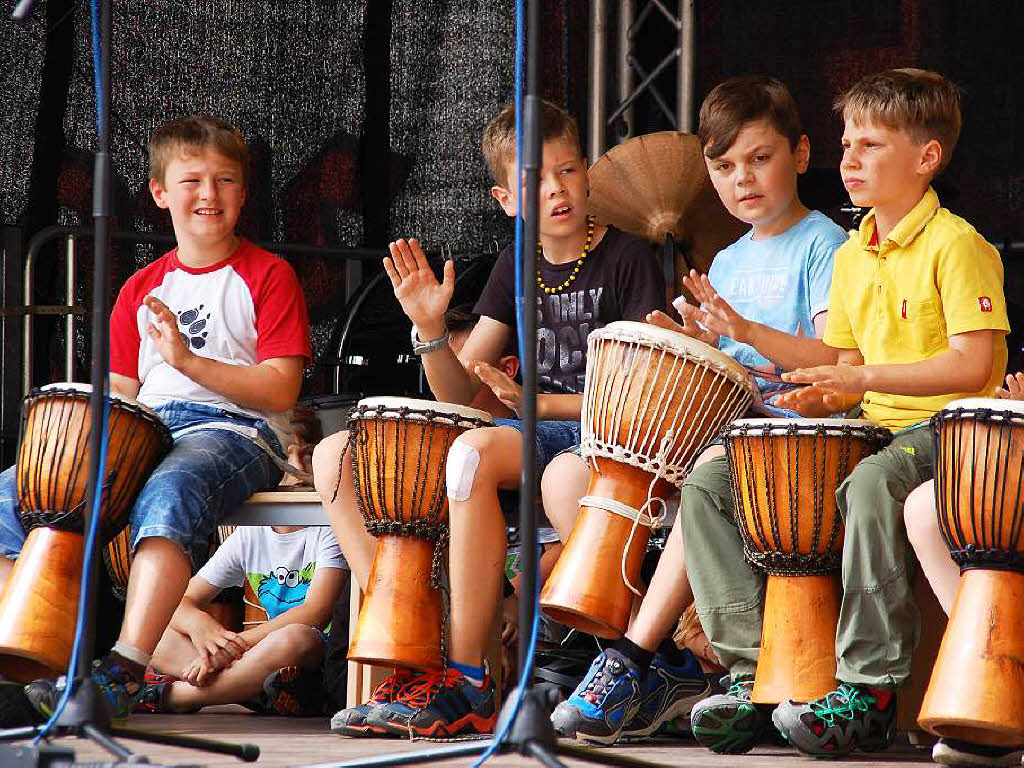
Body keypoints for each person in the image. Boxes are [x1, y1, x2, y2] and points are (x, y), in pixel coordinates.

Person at [316, 98, 667, 740]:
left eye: (567, 170)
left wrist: (534, 405)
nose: (556, 189)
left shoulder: (629, 258)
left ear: (587, 173)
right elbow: (459, 394)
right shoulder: (515, 262)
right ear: (508, 198)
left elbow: (642, 395)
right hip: (529, 430)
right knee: (376, 453)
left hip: (602, 437)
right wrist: (427, 330)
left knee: (480, 454)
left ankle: (468, 674)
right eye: (536, 179)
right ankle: (439, 660)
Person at [549, 75, 848, 746]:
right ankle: (676, 657)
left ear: (800, 155)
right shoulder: (729, 260)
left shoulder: (825, 246)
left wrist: (740, 331)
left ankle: (636, 657)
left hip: (794, 437)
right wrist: (688, 343)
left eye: (759, 158)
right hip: (728, 433)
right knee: (570, 474)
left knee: (709, 467)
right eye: (724, 166)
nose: (742, 179)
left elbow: (832, 356)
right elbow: (720, 362)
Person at [11, 114, 312, 719]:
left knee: (170, 490)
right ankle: (40, 657)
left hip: (233, 429)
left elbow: (281, 390)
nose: (208, 194)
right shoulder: (138, 288)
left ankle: (123, 667)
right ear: (159, 192)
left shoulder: (268, 275)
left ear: (243, 194)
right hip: (149, 430)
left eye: (225, 181)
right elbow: (124, 394)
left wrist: (186, 361)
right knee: (11, 497)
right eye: (192, 180)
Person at [764, 69, 1010, 763]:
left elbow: (972, 365)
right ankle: (755, 673)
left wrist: (862, 376)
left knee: (872, 485)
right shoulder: (850, 253)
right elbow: (845, 366)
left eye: (869, 144)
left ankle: (869, 690)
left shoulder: (957, 244)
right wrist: (819, 397)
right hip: (878, 424)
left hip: (950, 427)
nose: (847, 160)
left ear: (926, 157)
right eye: (845, 143)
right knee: (723, 479)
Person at [137, 523, 344, 715]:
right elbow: (179, 601)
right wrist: (199, 625)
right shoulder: (249, 533)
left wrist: (231, 648)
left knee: (296, 638)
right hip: (262, 659)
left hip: (314, 654)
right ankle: (260, 694)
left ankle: (174, 696)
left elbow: (316, 613)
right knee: (157, 633)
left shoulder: (330, 527)